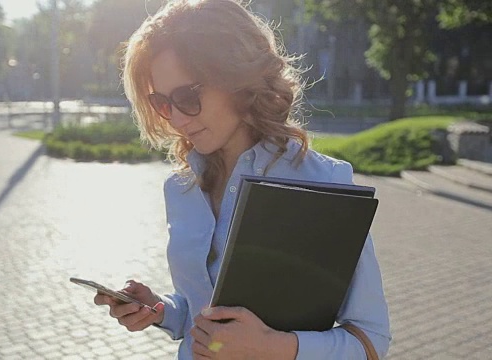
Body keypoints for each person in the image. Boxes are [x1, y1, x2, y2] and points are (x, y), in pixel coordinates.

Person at [93, 0, 391, 358]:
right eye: (161, 102)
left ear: (236, 78)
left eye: (187, 96)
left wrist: (276, 347)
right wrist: (159, 310)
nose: (176, 119)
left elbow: (372, 341)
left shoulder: (324, 182)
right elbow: (205, 309)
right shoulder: (181, 188)